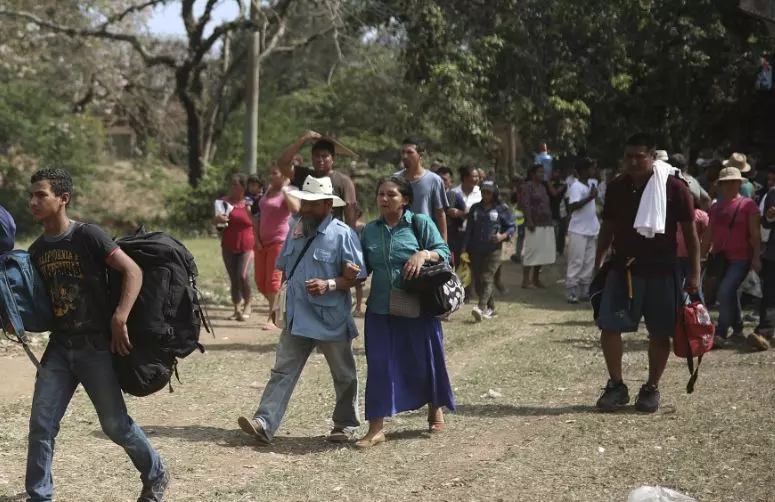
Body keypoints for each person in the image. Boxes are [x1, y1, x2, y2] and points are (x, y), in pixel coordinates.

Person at [25, 168, 167, 501]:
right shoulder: (36, 250)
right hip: (60, 348)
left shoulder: (88, 236)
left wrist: (120, 317)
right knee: (41, 427)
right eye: (31, 195)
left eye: (41, 194)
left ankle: (156, 473)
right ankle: (39, 495)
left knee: (116, 426)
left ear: (63, 199)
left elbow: (132, 270)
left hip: (95, 347)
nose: (33, 201)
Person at [237, 176, 366, 445]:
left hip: (330, 318)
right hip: (297, 315)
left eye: (312, 205)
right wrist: (277, 306)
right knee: (283, 370)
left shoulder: (343, 234)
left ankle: (345, 425)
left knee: (344, 374)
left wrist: (329, 283)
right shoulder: (296, 229)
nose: (305, 209)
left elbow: (357, 277)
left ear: (328, 204)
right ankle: (265, 422)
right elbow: (285, 269)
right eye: (304, 203)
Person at [595, 133, 699, 414]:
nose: (633, 161)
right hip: (623, 269)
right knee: (609, 326)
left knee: (660, 332)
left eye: (639, 156)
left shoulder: (675, 187)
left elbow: (691, 236)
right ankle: (616, 386)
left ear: (652, 156)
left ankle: (651, 388)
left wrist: (695, 276)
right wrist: (598, 262)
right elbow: (607, 228)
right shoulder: (616, 187)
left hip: (663, 271)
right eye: (628, 156)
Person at [355, 176, 455, 448]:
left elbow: (443, 251)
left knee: (426, 358)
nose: (384, 199)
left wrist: (423, 254)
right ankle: (376, 427)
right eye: (380, 194)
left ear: (406, 199)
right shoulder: (371, 231)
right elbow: (363, 267)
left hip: (418, 306)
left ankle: (435, 407)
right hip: (380, 308)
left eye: (391, 194)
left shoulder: (420, 223)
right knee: (379, 365)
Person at [701, 167, 761, 347]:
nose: (728, 185)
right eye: (725, 182)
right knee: (730, 293)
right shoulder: (716, 207)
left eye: (732, 182)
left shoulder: (748, 205)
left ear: (739, 183)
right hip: (719, 258)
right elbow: (708, 233)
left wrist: (756, 257)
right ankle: (738, 329)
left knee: (725, 291)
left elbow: (755, 234)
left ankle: (721, 332)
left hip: (741, 257)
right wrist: (702, 255)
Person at [277, 130, 358, 227]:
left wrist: (351, 237)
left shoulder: (343, 181)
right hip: (307, 233)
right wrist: (303, 140)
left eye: (325, 156)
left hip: (331, 234)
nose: (320, 160)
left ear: (333, 159)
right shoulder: (306, 176)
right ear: (312, 158)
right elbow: (283, 164)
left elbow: (350, 214)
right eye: (316, 156)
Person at [254, 166, 301, 330]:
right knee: (260, 282)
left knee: (273, 282)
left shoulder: (290, 190)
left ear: (284, 176)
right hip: (261, 242)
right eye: (270, 172)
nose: (271, 176)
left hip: (279, 241)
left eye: (275, 173)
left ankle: (272, 318)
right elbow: (258, 214)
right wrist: (256, 237)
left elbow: (295, 209)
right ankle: (281, 308)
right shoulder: (267, 191)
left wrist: (285, 189)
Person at [464, 180, 516, 321]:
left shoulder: (501, 209)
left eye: (488, 192)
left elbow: (512, 226)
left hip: (493, 250)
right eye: (483, 192)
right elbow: (469, 230)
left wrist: (502, 236)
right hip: (475, 249)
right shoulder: (475, 208)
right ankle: (490, 308)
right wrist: (465, 249)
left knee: (487, 277)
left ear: (494, 194)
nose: (485, 195)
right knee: (479, 281)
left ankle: (480, 308)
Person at [214, 173, 255, 321]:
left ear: (243, 187)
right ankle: (236, 308)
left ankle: (248, 303)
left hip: (247, 245)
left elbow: (257, 222)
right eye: (231, 183)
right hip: (229, 245)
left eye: (235, 184)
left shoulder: (250, 202)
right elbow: (219, 226)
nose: (232, 187)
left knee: (242, 276)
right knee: (234, 279)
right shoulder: (223, 202)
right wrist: (217, 220)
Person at [395, 137, 449, 242]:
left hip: (425, 241)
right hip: (400, 240)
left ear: (421, 155)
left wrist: (444, 246)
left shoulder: (434, 180)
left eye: (410, 152)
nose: (405, 156)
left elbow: (440, 214)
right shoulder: (395, 179)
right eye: (403, 152)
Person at [565, 158, 600, 304]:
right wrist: (589, 198)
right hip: (578, 229)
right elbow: (572, 206)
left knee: (589, 261)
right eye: (590, 168)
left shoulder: (592, 183)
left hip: (591, 228)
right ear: (583, 171)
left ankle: (585, 290)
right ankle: (572, 290)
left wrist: (595, 198)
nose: (593, 171)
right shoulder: (576, 186)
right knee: (576, 260)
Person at [521, 163, 556, 288]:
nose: (542, 174)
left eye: (543, 172)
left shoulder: (542, 186)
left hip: (546, 223)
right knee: (531, 251)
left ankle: (536, 278)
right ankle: (525, 280)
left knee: (541, 253)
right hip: (533, 224)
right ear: (532, 174)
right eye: (540, 172)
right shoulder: (528, 186)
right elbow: (525, 204)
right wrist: (529, 220)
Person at [752, 167, 775, 351]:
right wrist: (768, 217)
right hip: (772, 253)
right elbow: (765, 223)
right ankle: (764, 333)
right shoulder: (772, 194)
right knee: (769, 294)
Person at [437, 167, 467, 266]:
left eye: (444, 179)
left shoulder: (454, 196)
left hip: (452, 238)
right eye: (439, 178)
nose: (441, 182)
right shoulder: (430, 195)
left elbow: (467, 215)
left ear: (450, 181)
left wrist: (458, 213)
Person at [546, 169, 569, 256]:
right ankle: (552, 249)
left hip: (561, 210)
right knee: (553, 231)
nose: (555, 174)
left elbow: (556, 193)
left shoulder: (563, 184)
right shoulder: (549, 184)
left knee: (561, 231)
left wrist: (568, 212)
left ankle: (560, 249)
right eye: (554, 172)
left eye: (557, 172)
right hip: (551, 211)